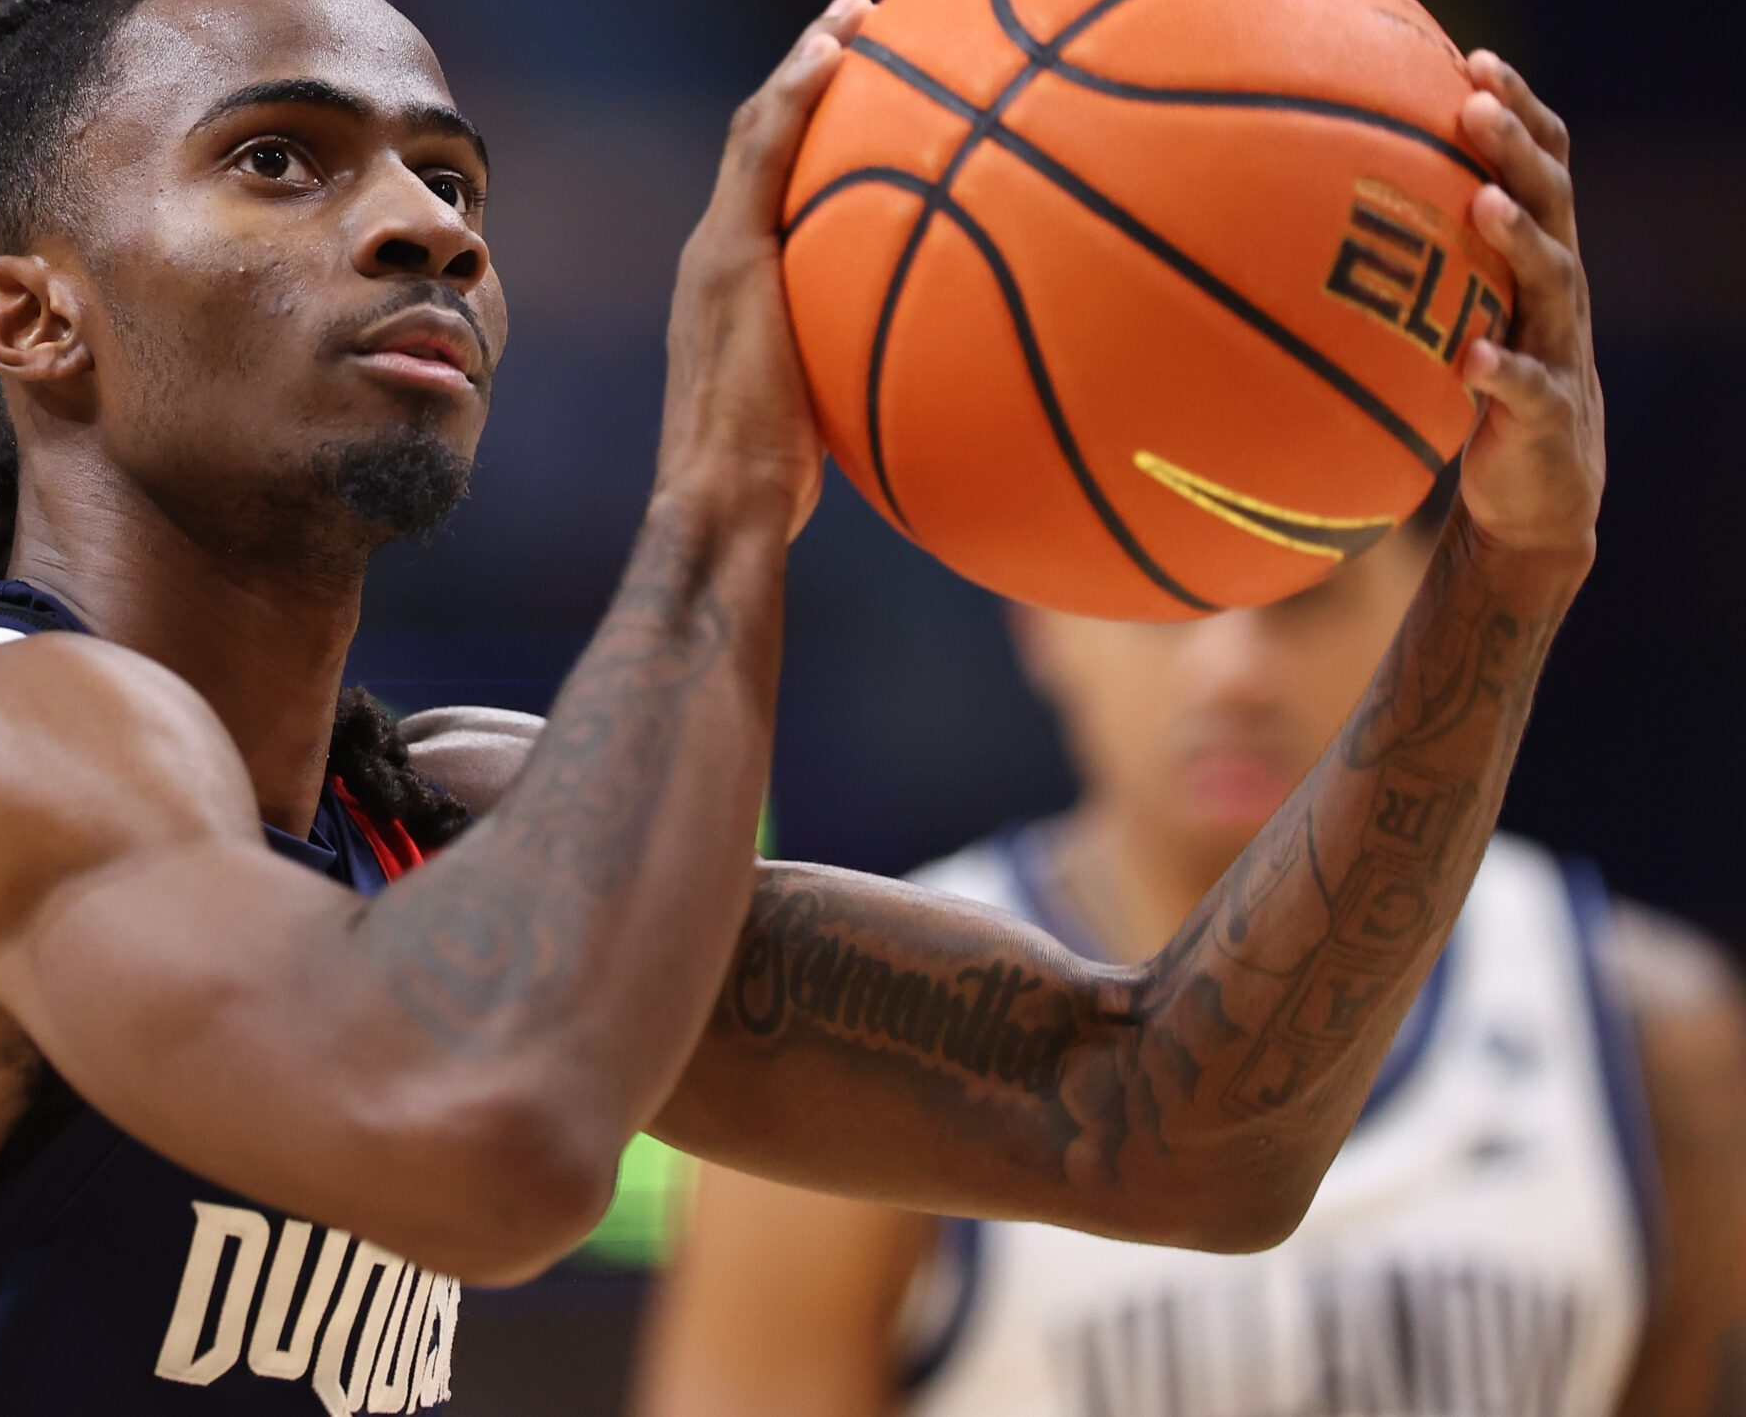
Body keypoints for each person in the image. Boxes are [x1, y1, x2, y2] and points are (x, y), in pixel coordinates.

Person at [0, 0, 1608, 1415]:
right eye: (280, 161)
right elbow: (490, 1139)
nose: (418, 227)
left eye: (450, 178)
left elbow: (1172, 1120)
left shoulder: (450, 826)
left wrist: (1501, 579)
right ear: (29, 319)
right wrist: (727, 494)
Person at [634, 490, 1746, 1416]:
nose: (1231, 672)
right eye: (1160, 599)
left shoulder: (1648, 1028)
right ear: (1041, 617)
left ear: (1428, 606)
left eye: (1303, 595)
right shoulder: (845, 1043)